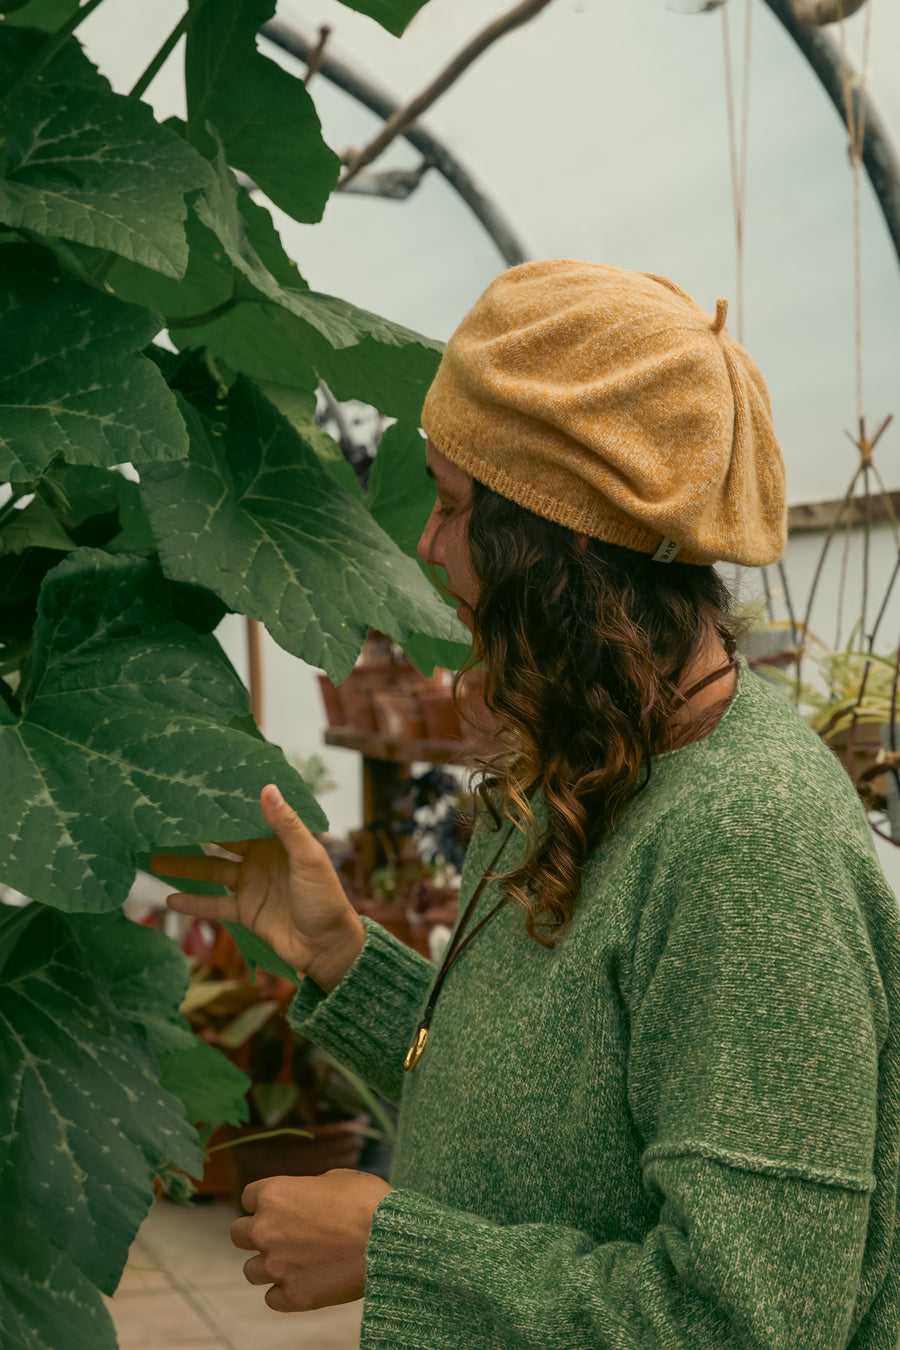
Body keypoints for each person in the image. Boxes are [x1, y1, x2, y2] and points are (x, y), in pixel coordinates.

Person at [153, 260, 900, 1349]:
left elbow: (753, 1319)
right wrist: (346, 960)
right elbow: (537, 1123)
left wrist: (394, 1253)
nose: (427, 545)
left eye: (455, 508)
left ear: (556, 552)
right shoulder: (591, 762)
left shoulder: (747, 846)